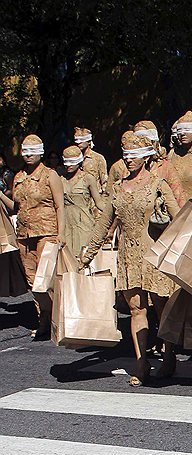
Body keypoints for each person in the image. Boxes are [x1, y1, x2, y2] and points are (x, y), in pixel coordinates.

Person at [81, 132, 181, 386]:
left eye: (134, 155)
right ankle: (141, 361)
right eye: (125, 155)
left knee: (162, 307)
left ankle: (169, 355)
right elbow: (103, 224)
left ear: (146, 157)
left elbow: (179, 216)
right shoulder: (117, 188)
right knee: (137, 308)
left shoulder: (158, 184)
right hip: (129, 254)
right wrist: (88, 253)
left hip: (155, 253)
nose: (129, 160)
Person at [0, 135, 64, 339]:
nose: (28, 155)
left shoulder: (50, 175)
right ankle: (42, 319)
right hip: (24, 234)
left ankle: (57, 321)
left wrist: (61, 232)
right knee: (32, 281)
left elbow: (59, 206)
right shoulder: (18, 177)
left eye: (32, 151)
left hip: (47, 231)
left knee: (45, 279)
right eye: (25, 151)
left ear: (41, 152)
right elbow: (14, 207)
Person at [59, 146, 106, 257]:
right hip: (66, 222)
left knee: (83, 256)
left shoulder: (88, 178)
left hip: (83, 222)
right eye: (66, 162)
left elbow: (99, 203)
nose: (68, 165)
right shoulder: (61, 179)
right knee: (67, 258)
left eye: (72, 162)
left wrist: (112, 215)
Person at [74, 127, 109, 196]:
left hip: (95, 197)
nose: (78, 143)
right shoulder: (74, 159)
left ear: (89, 141)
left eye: (81, 141)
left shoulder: (98, 158)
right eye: (76, 141)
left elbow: (104, 180)